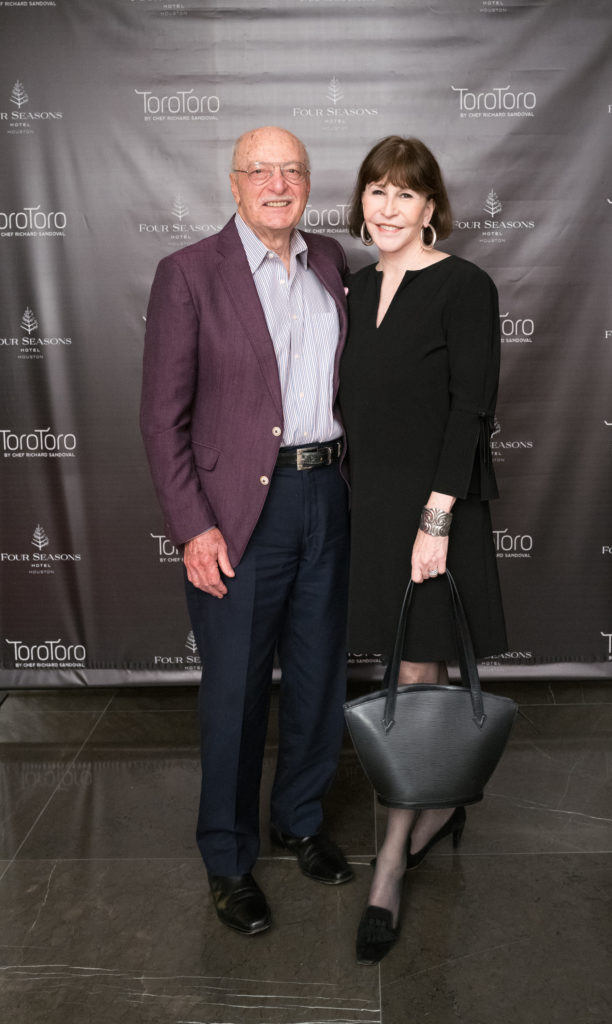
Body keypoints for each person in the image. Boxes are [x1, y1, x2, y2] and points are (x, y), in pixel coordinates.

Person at [140, 126, 353, 937]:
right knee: (233, 692)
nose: (276, 183)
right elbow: (162, 421)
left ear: (307, 183)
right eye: (259, 170)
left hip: (325, 496)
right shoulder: (189, 274)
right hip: (234, 518)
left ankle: (299, 818)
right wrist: (193, 526)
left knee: (316, 676)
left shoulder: (331, 262)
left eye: (291, 170)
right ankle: (228, 860)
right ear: (232, 184)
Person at [339, 135, 507, 964]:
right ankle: (438, 803)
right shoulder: (352, 284)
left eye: (404, 194)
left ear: (431, 206)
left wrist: (435, 519)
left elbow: (470, 409)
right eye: (375, 191)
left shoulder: (465, 286)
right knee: (403, 666)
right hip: (367, 510)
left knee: (414, 673)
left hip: (433, 512)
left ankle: (391, 864)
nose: (387, 207)